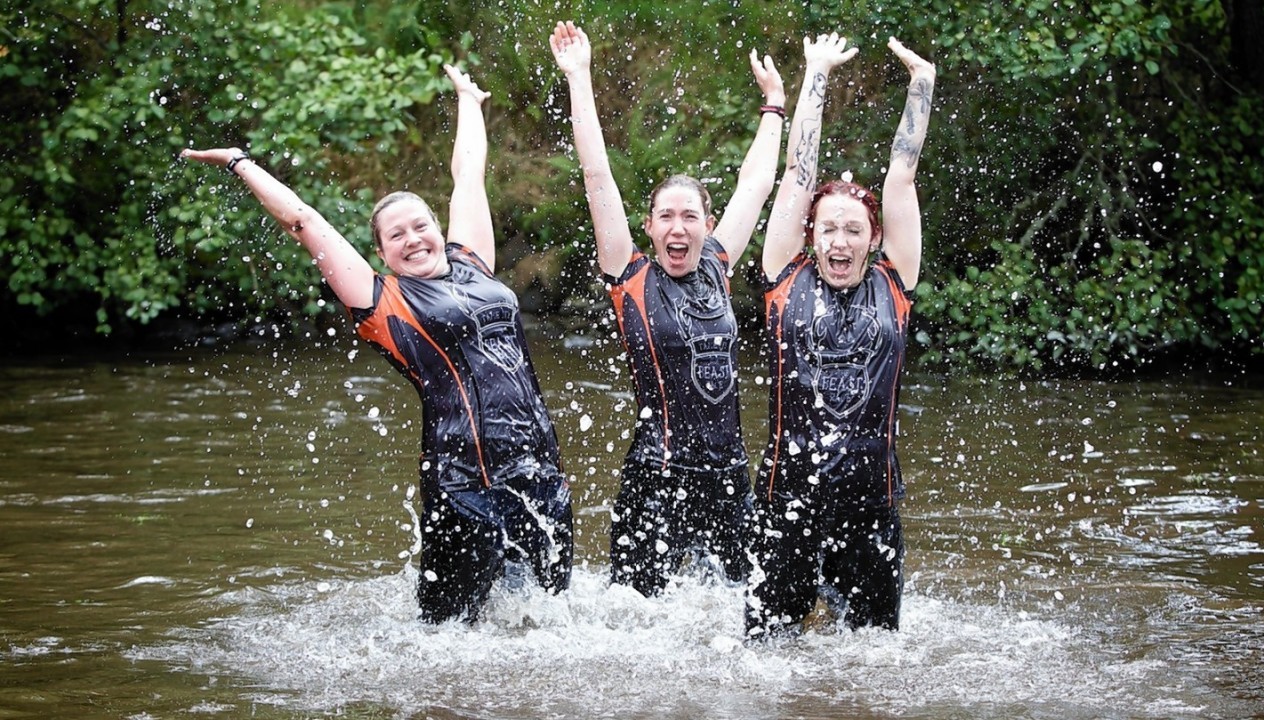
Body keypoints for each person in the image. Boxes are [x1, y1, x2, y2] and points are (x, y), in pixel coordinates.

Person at [181, 64, 573, 624]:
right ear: (384, 254)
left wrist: (467, 100)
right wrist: (241, 162)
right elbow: (303, 220)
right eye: (397, 236)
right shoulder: (384, 304)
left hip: (539, 475)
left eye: (420, 226)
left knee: (550, 631)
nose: (414, 240)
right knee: (446, 643)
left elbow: (468, 177)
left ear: (437, 228)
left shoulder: (473, 264)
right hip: (464, 488)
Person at [548, 21, 785, 596]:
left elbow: (755, 184)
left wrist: (775, 106)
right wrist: (579, 76)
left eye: (691, 217)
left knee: (743, 617)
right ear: (649, 227)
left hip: (731, 477)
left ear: (706, 224)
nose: (679, 228)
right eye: (666, 218)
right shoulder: (629, 278)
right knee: (639, 628)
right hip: (657, 477)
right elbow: (596, 173)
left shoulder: (718, 270)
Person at [744, 33, 936, 636]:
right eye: (829, 230)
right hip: (785, 507)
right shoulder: (783, 275)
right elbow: (799, 174)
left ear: (873, 239)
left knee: (873, 663)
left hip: (870, 508)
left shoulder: (896, 282)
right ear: (811, 237)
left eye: (854, 230)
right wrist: (817, 73)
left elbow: (900, 177)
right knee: (766, 659)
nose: (840, 242)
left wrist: (922, 86)